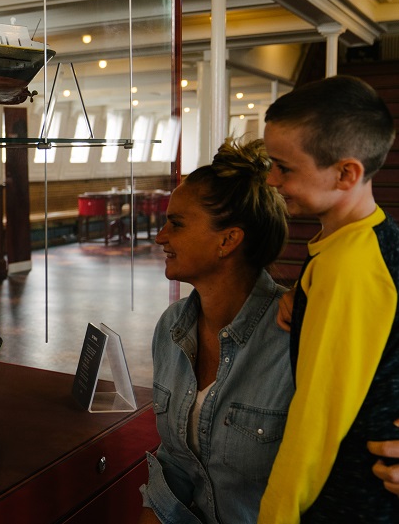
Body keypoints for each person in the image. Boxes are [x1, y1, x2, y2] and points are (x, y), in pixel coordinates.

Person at [259, 75, 399, 522]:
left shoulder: (350, 267)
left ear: (346, 173)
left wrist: (277, 513)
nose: (271, 179)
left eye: (284, 168)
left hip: (350, 498)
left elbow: (316, 419)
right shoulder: (355, 242)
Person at [139, 138, 292, 524]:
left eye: (176, 223)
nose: (161, 236)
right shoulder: (172, 327)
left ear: (228, 240)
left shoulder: (294, 337)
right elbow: (174, 462)